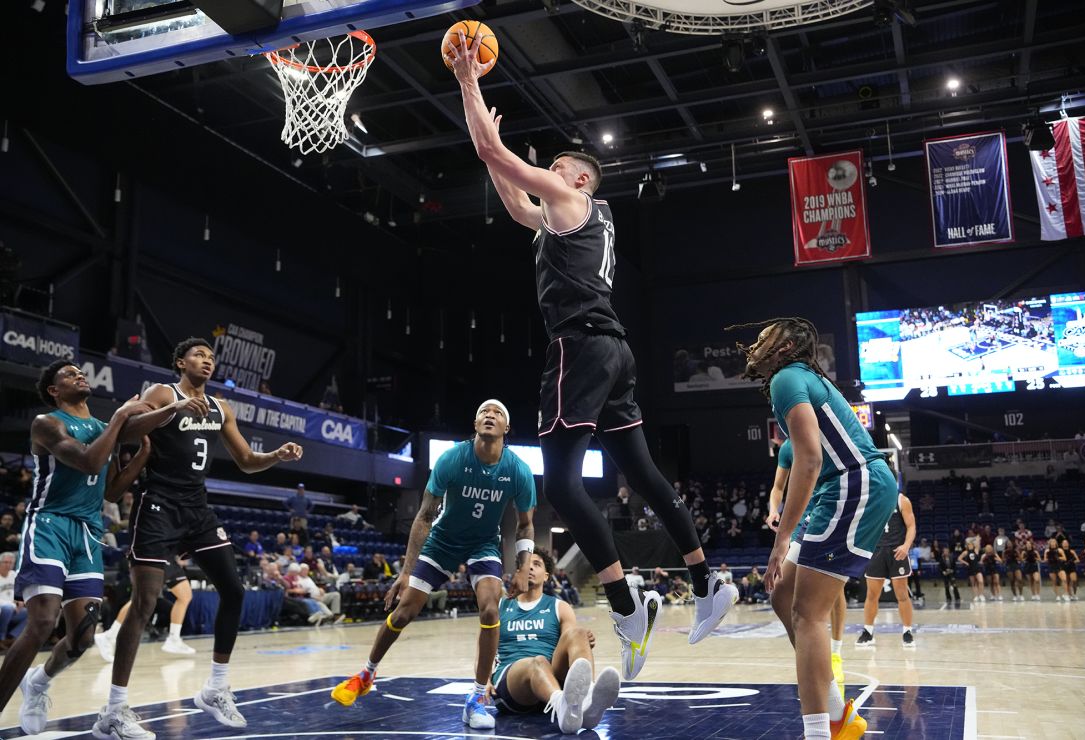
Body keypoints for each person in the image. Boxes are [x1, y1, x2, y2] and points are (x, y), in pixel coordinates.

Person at [447, 38, 737, 682]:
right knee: (643, 471)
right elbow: (516, 200)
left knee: (560, 485)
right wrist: (499, 153)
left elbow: (491, 155)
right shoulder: (581, 218)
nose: (545, 176)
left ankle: (626, 602)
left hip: (577, 347)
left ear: (577, 179)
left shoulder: (573, 199)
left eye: (553, 170)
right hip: (615, 350)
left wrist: (469, 83)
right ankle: (707, 581)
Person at [93, 338, 304, 739]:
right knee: (144, 604)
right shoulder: (162, 392)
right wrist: (172, 409)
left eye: (211, 356)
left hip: (197, 508)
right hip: (158, 504)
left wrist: (276, 455)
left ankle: (215, 688)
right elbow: (126, 431)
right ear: (180, 362)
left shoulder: (222, 407)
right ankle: (114, 710)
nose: (207, 361)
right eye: (199, 355)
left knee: (235, 589)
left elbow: (245, 460)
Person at [732, 317, 899, 739]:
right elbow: (807, 461)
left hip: (853, 482)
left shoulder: (786, 378)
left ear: (785, 346)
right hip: (842, 485)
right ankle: (834, 711)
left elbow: (809, 460)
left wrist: (781, 538)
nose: (755, 343)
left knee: (808, 613)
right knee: (784, 593)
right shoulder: (796, 376)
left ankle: (822, 732)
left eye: (764, 336)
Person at [331, 400, 536, 731]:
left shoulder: (518, 470)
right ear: (475, 422)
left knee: (490, 611)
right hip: (442, 542)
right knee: (403, 613)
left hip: (483, 544)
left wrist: (524, 567)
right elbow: (425, 516)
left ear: (506, 429)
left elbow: (526, 526)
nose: (490, 415)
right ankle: (367, 672)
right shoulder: (452, 459)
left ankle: (475, 699)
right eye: (484, 411)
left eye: (498, 413)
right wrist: (406, 570)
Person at [0, 361, 150, 735]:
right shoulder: (46, 423)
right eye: (69, 374)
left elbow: (112, 490)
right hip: (49, 524)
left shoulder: (102, 429)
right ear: (54, 389)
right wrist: (119, 419)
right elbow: (87, 461)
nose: (79, 375)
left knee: (82, 636)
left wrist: (144, 450)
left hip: (87, 533)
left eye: (80, 372)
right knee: (43, 622)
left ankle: (37, 683)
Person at [489, 549, 620, 734]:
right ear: (518, 572)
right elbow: (484, 646)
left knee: (578, 633)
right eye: (527, 565)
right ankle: (563, 707)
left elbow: (569, 648)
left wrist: (581, 643)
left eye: (537, 564)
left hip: (549, 680)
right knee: (538, 662)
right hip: (512, 686)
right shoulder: (501, 606)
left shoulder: (560, 607)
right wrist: (481, 682)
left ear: (546, 576)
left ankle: (587, 702)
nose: (531, 568)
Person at [768, 438, 851, 700]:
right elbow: (778, 488)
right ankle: (816, 659)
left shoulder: (826, 436)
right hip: (803, 520)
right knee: (781, 593)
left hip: (831, 512)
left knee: (834, 592)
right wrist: (773, 510)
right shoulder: (787, 448)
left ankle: (835, 653)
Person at [95, 557, 197, 659]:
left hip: (167, 557)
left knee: (185, 595)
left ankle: (174, 639)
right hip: (155, 556)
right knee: (140, 599)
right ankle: (109, 636)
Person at [858, 483, 918, 648]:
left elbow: (911, 526)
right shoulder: (870, 500)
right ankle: (868, 632)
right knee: (871, 595)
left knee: (902, 595)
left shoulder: (901, 500)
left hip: (897, 551)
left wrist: (906, 546)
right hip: (876, 551)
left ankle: (907, 631)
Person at [0, 552, 28, 645]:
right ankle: (1, 638)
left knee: (31, 613)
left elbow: (20, 592)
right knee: (7, 608)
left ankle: (12, 637)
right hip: (3, 609)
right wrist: (13, 604)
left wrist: (20, 600)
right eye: (5, 562)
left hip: (13, 610)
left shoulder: (14, 575)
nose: (8, 565)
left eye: (11, 563)